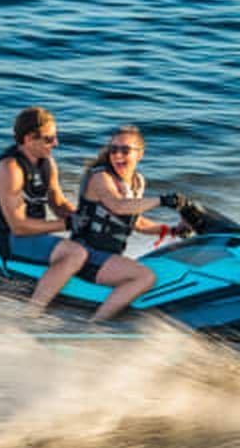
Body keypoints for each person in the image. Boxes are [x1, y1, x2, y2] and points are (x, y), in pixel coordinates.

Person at [71, 125, 187, 321]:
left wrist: (172, 230)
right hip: (85, 256)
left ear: (140, 154)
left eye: (125, 150)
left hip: (108, 257)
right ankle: (95, 324)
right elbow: (119, 206)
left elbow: (137, 222)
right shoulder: (101, 177)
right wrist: (163, 201)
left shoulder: (137, 182)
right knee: (146, 277)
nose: (118, 155)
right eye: (113, 149)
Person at [0, 106, 88, 312]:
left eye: (56, 137)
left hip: (35, 237)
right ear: (29, 138)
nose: (56, 144)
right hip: (9, 240)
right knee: (75, 254)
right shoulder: (10, 169)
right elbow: (18, 227)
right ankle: (32, 313)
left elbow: (57, 203)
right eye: (49, 139)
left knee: (92, 242)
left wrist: (84, 216)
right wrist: (68, 224)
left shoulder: (46, 162)